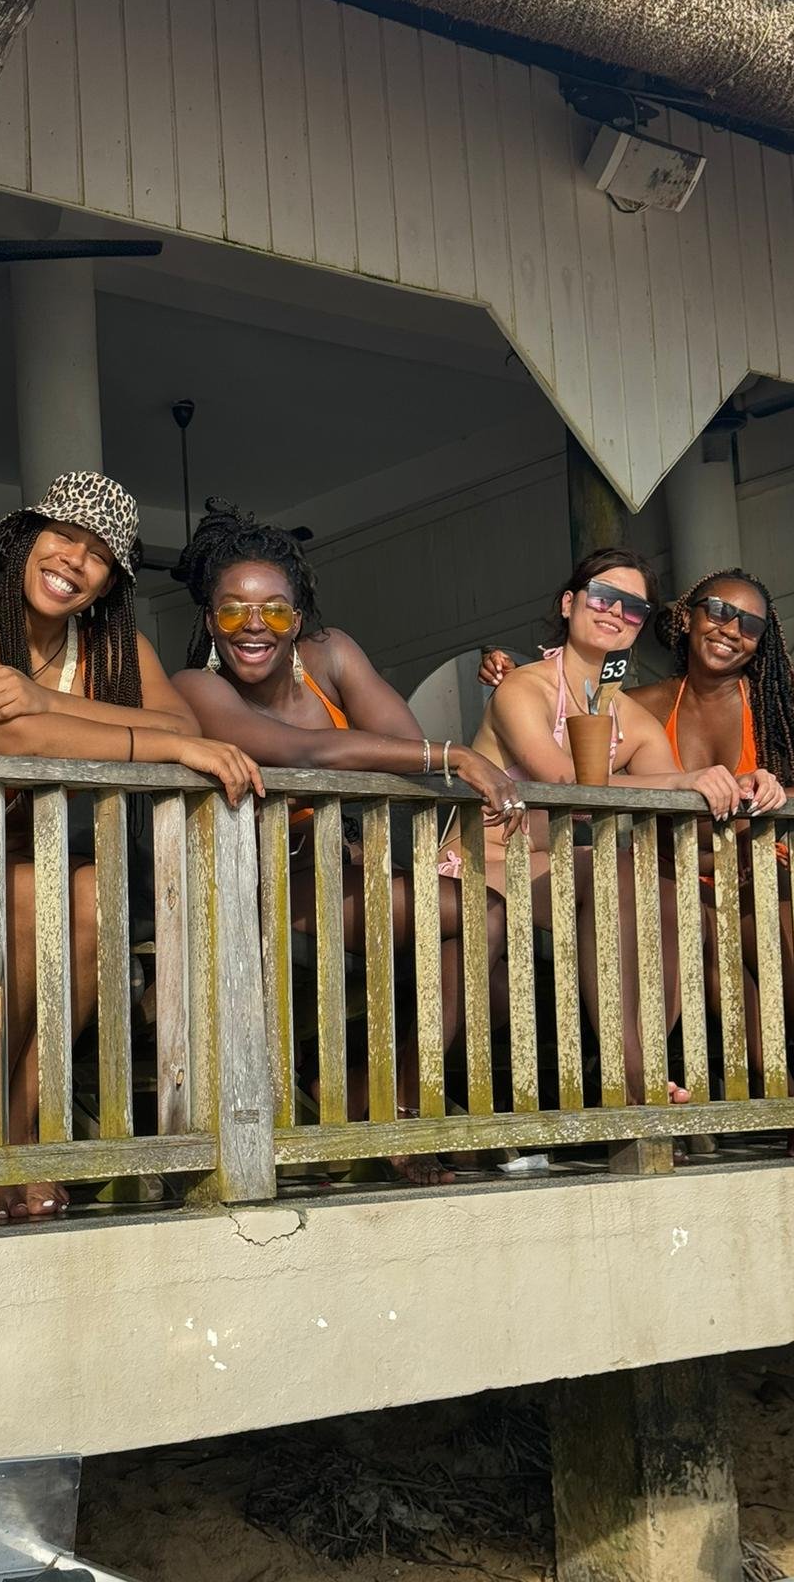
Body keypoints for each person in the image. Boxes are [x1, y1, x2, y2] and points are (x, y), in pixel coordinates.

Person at [0, 472, 263, 1224]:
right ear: (24, 539)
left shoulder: (106, 651)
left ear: (110, 582)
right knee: (40, 889)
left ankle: (20, 1125)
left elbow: (189, 729)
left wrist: (47, 697)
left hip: (20, 860)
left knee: (87, 890)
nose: (74, 561)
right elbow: (9, 739)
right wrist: (146, 744)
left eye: (99, 555)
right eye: (63, 537)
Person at [171, 500, 525, 1185]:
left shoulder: (331, 655)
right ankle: (383, 1098)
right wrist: (453, 755)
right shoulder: (194, 687)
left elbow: (395, 742)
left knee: (484, 919)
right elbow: (305, 751)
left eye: (274, 610)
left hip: (341, 872)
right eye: (233, 610)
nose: (254, 626)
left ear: (297, 618)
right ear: (210, 620)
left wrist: (434, 758)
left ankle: (390, 1090)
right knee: (476, 918)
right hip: (253, 878)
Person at [479, 566, 794, 1156]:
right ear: (686, 618)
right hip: (676, 870)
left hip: (750, 867)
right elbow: (581, 742)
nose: (729, 629)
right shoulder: (641, 704)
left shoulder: (781, 699)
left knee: (789, 956)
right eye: (718, 610)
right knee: (714, 966)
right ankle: (791, 1101)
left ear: (762, 640)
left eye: (749, 623)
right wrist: (506, 671)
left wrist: (772, 796)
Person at [460, 548, 743, 1108]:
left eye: (633, 608)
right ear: (569, 604)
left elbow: (674, 802)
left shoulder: (634, 720)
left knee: (665, 885)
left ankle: (631, 1062)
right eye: (603, 597)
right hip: (481, 862)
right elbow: (561, 781)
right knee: (615, 867)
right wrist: (685, 781)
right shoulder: (523, 687)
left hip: (556, 869)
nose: (616, 612)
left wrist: (752, 785)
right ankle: (631, 1074)